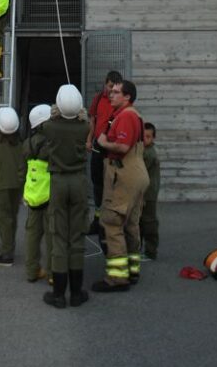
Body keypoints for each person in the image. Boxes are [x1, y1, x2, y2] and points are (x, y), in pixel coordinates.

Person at [92, 80, 149, 293]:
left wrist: (103, 142)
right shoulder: (134, 115)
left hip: (125, 174)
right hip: (136, 174)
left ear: (127, 97)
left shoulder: (126, 116)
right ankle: (132, 269)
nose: (110, 95)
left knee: (112, 222)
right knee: (132, 224)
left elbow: (123, 146)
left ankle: (117, 278)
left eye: (116, 92)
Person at [40, 85, 89, 309]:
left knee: (59, 235)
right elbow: (83, 119)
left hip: (58, 181)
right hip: (78, 181)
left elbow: (49, 118)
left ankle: (58, 294)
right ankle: (77, 293)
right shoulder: (84, 126)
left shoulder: (50, 127)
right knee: (76, 235)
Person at [0, 106, 24, 266]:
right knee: (12, 218)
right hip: (17, 185)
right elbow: (23, 164)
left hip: (2, 185)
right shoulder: (20, 141)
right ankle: (10, 248)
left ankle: (6, 254)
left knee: (4, 219)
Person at [86, 70, 122, 235]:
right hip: (97, 147)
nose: (110, 91)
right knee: (97, 184)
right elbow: (92, 120)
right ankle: (98, 219)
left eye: (113, 88)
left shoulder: (120, 103)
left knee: (112, 185)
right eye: (108, 87)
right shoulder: (99, 98)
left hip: (111, 149)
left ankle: (110, 221)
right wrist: (88, 139)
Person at [23, 103, 53, 284]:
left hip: (33, 193)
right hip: (49, 193)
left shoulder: (27, 143)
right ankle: (51, 273)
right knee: (51, 234)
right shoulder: (50, 143)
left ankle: (31, 271)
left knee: (32, 234)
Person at [140, 122, 160, 260]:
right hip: (145, 191)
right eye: (143, 136)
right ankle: (144, 248)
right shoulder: (145, 151)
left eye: (148, 137)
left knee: (149, 221)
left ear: (153, 138)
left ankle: (150, 251)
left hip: (148, 193)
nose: (145, 139)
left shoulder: (149, 154)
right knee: (142, 220)